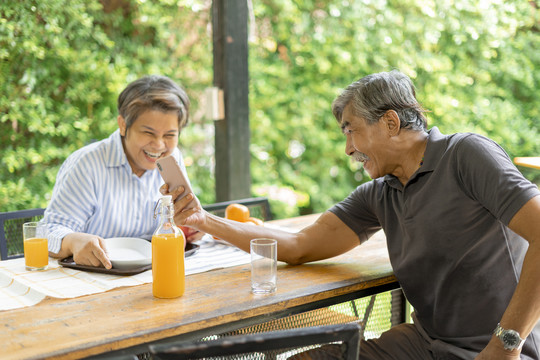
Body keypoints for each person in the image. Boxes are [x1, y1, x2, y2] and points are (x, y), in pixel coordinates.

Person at [165, 70, 540, 359]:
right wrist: (203, 220)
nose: (348, 149)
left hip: (500, 349)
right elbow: (298, 245)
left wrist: (506, 344)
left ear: (391, 123)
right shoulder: (380, 193)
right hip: (426, 345)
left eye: (352, 131)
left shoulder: (465, 155)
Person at [44, 75, 202, 269]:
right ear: (123, 125)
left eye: (169, 135)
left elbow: (180, 223)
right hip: (95, 277)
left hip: (152, 273)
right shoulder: (86, 164)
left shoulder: (172, 160)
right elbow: (47, 233)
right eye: (148, 133)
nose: (159, 145)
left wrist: (188, 226)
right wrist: (73, 242)